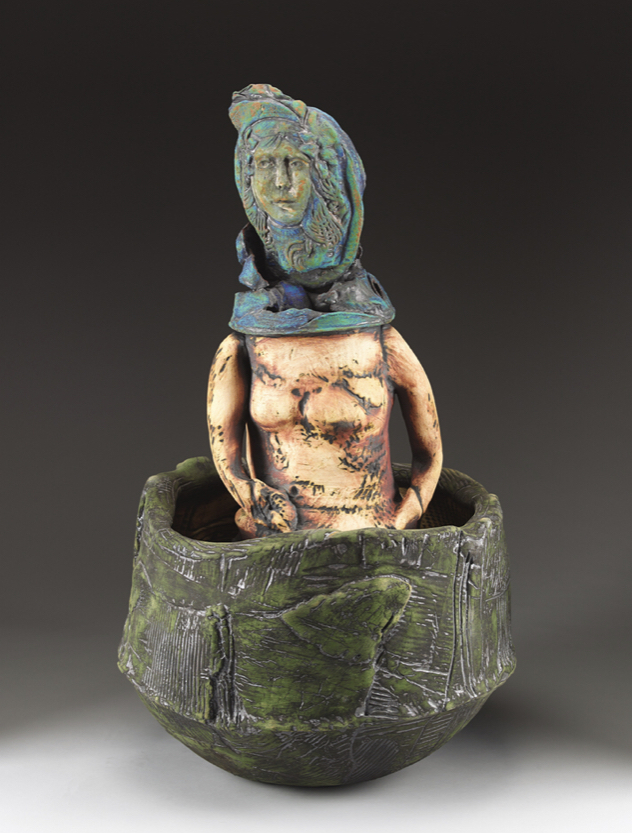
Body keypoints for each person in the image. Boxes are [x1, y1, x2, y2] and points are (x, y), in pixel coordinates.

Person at [207, 85, 442, 539]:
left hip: (375, 541)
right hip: (271, 548)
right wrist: (249, 494)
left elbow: (430, 455)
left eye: (295, 164)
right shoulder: (244, 346)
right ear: (246, 176)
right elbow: (227, 456)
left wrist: (407, 514)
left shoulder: (379, 341)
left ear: (324, 178)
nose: (281, 183)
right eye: (265, 164)